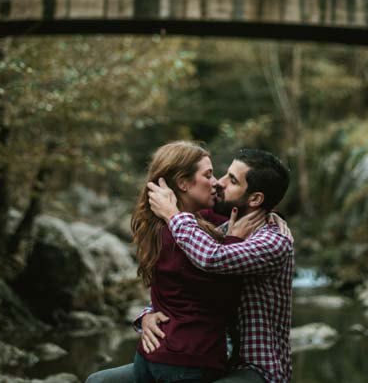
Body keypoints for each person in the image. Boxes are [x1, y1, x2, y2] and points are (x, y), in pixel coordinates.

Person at [87, 148, 294, 383]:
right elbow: (183, 283)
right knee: (99, 381)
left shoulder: (274, 241)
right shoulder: (221, 226)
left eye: (232, 180)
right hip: (207, 355)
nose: (219, 183)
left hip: (253, 367)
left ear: (255, 199)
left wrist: (173, 214)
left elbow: (213, 259)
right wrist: (148, 314)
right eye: (220, 174)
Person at [128, 141, 260, 383]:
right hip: (187, 363)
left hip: (152, 357)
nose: (216, 182)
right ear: (183, 183)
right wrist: (233, 240)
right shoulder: (180, 238)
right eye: (208, 175)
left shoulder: (162, 226)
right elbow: (226, 296)